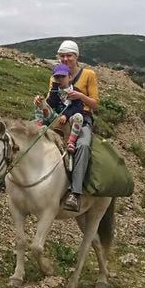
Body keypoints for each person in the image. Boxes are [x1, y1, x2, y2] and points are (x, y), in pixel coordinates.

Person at [43, 39, 99, 212]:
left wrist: (80, 97)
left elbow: (95, 104)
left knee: (82, 145)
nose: (66, 58)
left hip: (81, 118)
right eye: (63, 56)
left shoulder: (88, 74)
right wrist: (40, 104)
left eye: (69, 55)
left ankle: (75, 192)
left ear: (77, 57)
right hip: (59, 119)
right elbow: (50, 101)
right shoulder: (55, 75)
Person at [33, 62, 87, 152]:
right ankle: (38, 127)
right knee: (41, 104)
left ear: (70, 77)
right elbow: (51, 104)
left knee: (79, 116)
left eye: (63, 76)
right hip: (55, 118)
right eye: (57, 77)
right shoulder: (55, 90)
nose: (60, 79)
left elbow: (78, 108)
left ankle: (71, 142)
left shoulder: (75, 91)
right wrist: (41, 100)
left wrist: (66, 115)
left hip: (69, 120)